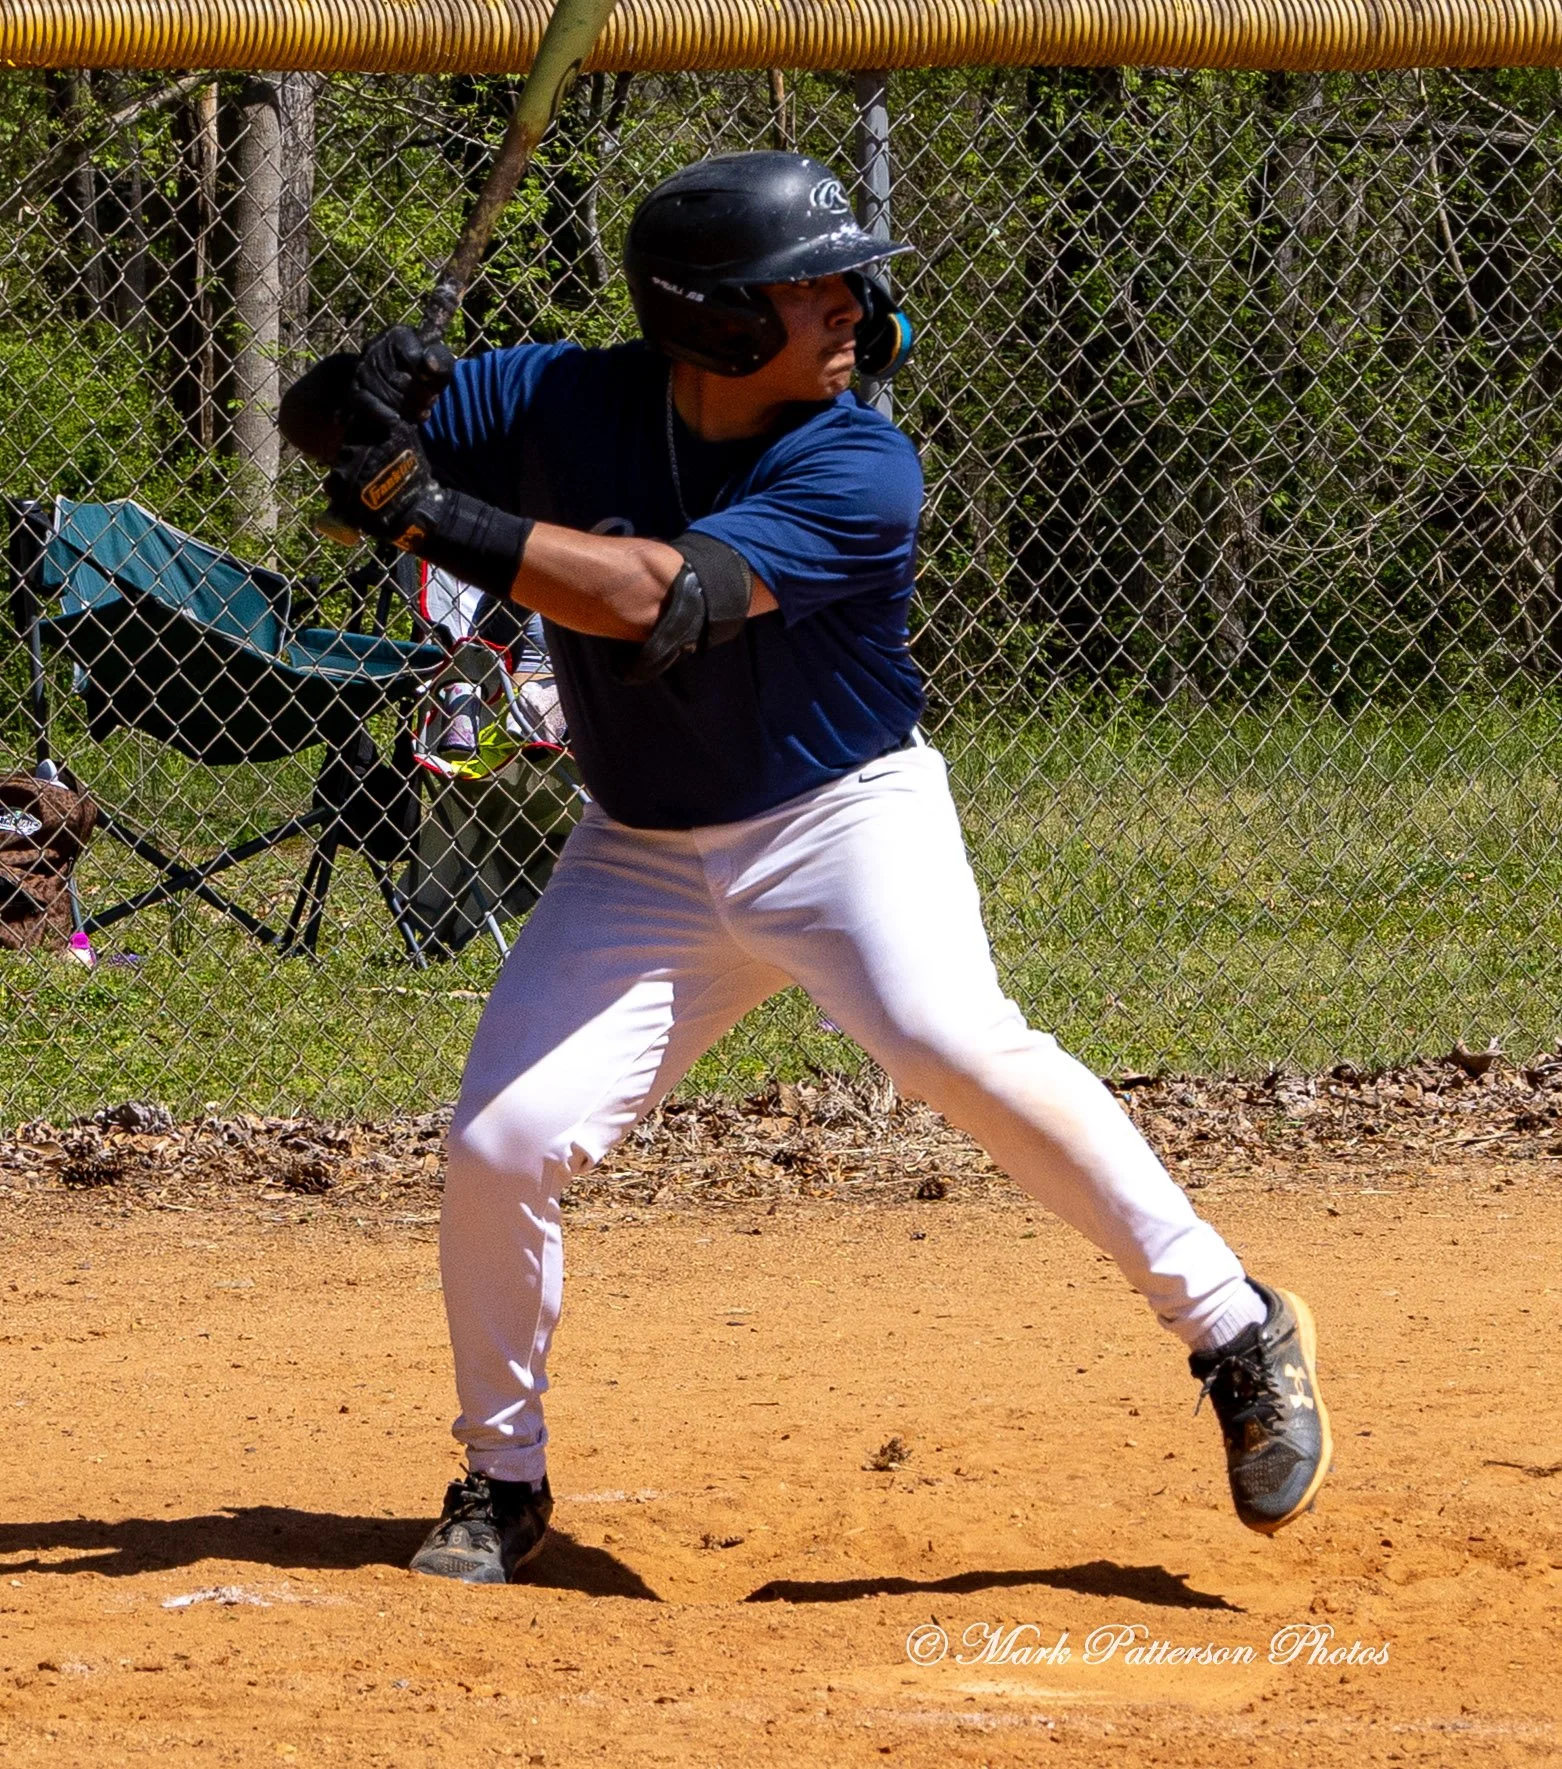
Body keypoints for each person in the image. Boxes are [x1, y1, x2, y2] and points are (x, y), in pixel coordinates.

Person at [283, 151, 1332, 1585]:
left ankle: (1232, 1327)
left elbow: (656, 600)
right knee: (500, 1146)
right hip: (639, 850)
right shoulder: (556, 396)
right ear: (710, 320)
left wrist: (437, 513)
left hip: (840, 823)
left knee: (951, 1044)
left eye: (850, 282)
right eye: (812, 287)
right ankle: (501, 1476)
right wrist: (359, 395)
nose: (854, 307)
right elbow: (331, 444)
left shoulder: (855, 461)